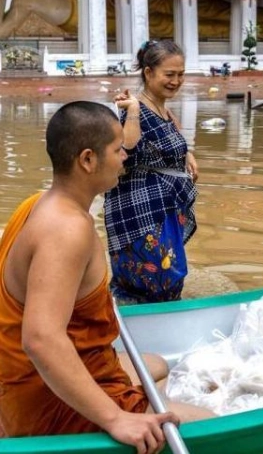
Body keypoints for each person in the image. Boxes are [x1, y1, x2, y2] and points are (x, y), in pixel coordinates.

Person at [0, 101, 213, 450]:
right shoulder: (67, 230)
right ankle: (123, 410)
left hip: (26, 380)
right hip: (44, 406)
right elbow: (39, 339)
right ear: (87, 160)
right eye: (117, 149)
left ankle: (139, 400)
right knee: (213, 423)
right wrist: (116, 419)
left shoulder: (38, 203)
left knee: (156, 364)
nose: (125, 157)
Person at [104, 40, 199, 303]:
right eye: (169, 74)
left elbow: (173, 139)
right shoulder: (134, 108)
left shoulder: (163, 109)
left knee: (171, 269)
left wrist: (187, 154)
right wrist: (133, 109)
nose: (176, 81)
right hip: (140, 210)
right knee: (153, 273)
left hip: (163, 207)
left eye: (181, 74)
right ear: (148, 73)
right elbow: (126, 152)